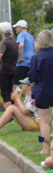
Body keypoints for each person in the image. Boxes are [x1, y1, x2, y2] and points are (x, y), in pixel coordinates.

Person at [28, 29, 53, 157]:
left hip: (42, 91)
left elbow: (32, 77)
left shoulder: (36, 57)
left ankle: (44, 147)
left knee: (44, 121)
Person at [0, 22, 19, 109]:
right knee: (10, 90)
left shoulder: (4, 43)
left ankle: (9, 110)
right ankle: (12, 108)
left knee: (4, 91)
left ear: (2, 32)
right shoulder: (15, 42)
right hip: (13, 68)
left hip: (4, 69)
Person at [15, 20, 35, 101]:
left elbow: (21, 45)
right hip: (31, 63)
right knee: (28, 84)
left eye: (17, 27)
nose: (16, 29)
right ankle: (28, 100)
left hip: (23, 63)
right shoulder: (31, 36)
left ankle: (16, 101)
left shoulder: (21, 34)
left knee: (17, 84)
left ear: (20, 27)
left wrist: (20, 58)